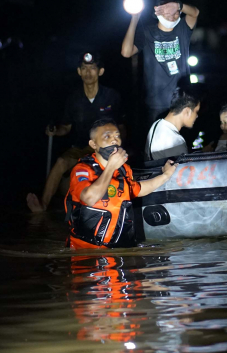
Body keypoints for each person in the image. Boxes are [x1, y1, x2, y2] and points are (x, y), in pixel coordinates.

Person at [27, 52, 122, 213]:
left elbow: (121, 127)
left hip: (102, 149)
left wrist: (118, 148)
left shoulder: (111, 96)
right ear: (79, 71)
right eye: (84, 68)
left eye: (92, 68)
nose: (88, 73)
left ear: (100, 71)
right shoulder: (73, 98)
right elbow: (66, 127)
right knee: (61, 162)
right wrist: (55, 131)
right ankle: (43, 205)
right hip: (79, 148)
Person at [65, 118, 177, 249]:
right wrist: (110, 167)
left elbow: (138, 189)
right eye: (107, 136)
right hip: (87, 252)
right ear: (93, 144)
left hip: (120, 248)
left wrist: (166, 175)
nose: (114, 140)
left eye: (117, 136)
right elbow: (89, 198)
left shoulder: (124, 169)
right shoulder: (82, 169)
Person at [120, 0, 200, 124]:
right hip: (156, 104)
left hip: (184, 101)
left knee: (182, 144)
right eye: (168, 11)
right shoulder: (147, 33)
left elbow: (195, 12)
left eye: (176, 12)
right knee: (159, 143)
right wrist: (135, 18)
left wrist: (178, 5)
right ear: (157, 10)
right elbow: (126, 52)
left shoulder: (182, 29)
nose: (173, 16)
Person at [145, 83, 201, 161]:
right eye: (196, 112)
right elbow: (184, 171)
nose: (197, 116)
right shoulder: (176, 140)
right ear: (187, 111)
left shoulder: (156, 124)